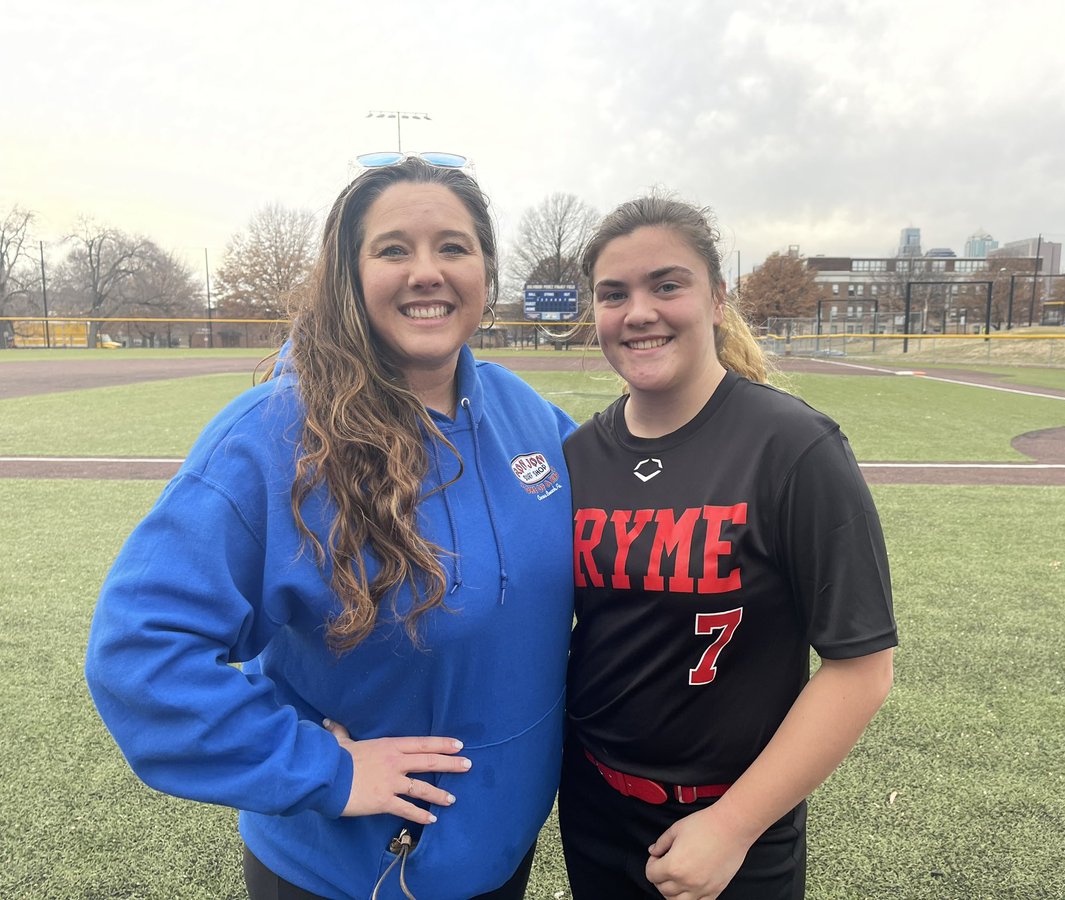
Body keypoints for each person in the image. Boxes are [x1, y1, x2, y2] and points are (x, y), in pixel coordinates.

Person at [85, 156, 577, 900]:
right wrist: (328, 769)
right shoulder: (272, 435)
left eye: (453, 246)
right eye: (392, 249)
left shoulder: (526, 415)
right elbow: (138, 656)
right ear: (348, 275)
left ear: (486, 272)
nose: (426, 271)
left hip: (501, 856)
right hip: (351, 875)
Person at [558, 196, 897, 900]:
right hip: (594, 808)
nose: (639, 311)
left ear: (717, 297)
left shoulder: (793, 447)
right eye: (613, 294)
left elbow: (861, 669)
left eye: (667, 285)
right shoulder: (578, 455)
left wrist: (734, 825)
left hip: (733, 826)